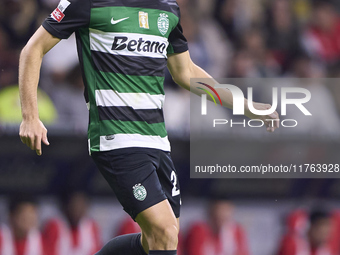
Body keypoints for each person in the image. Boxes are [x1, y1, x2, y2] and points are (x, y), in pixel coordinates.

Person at [18, 0, 279, 254]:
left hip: (157, 141)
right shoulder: (88, 3)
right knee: (164, 231)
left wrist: (245, 105)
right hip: (116, 138)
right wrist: (30, 116)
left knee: (160, 238)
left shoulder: (167, 8)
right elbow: (33, 49)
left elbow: (186, 72)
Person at [42, 191, 101, 255]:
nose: (77, 210)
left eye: (81, 206)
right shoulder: (54, 226)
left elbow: (97, 251)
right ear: (66, 206)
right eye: (74, 206)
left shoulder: (91, 226)